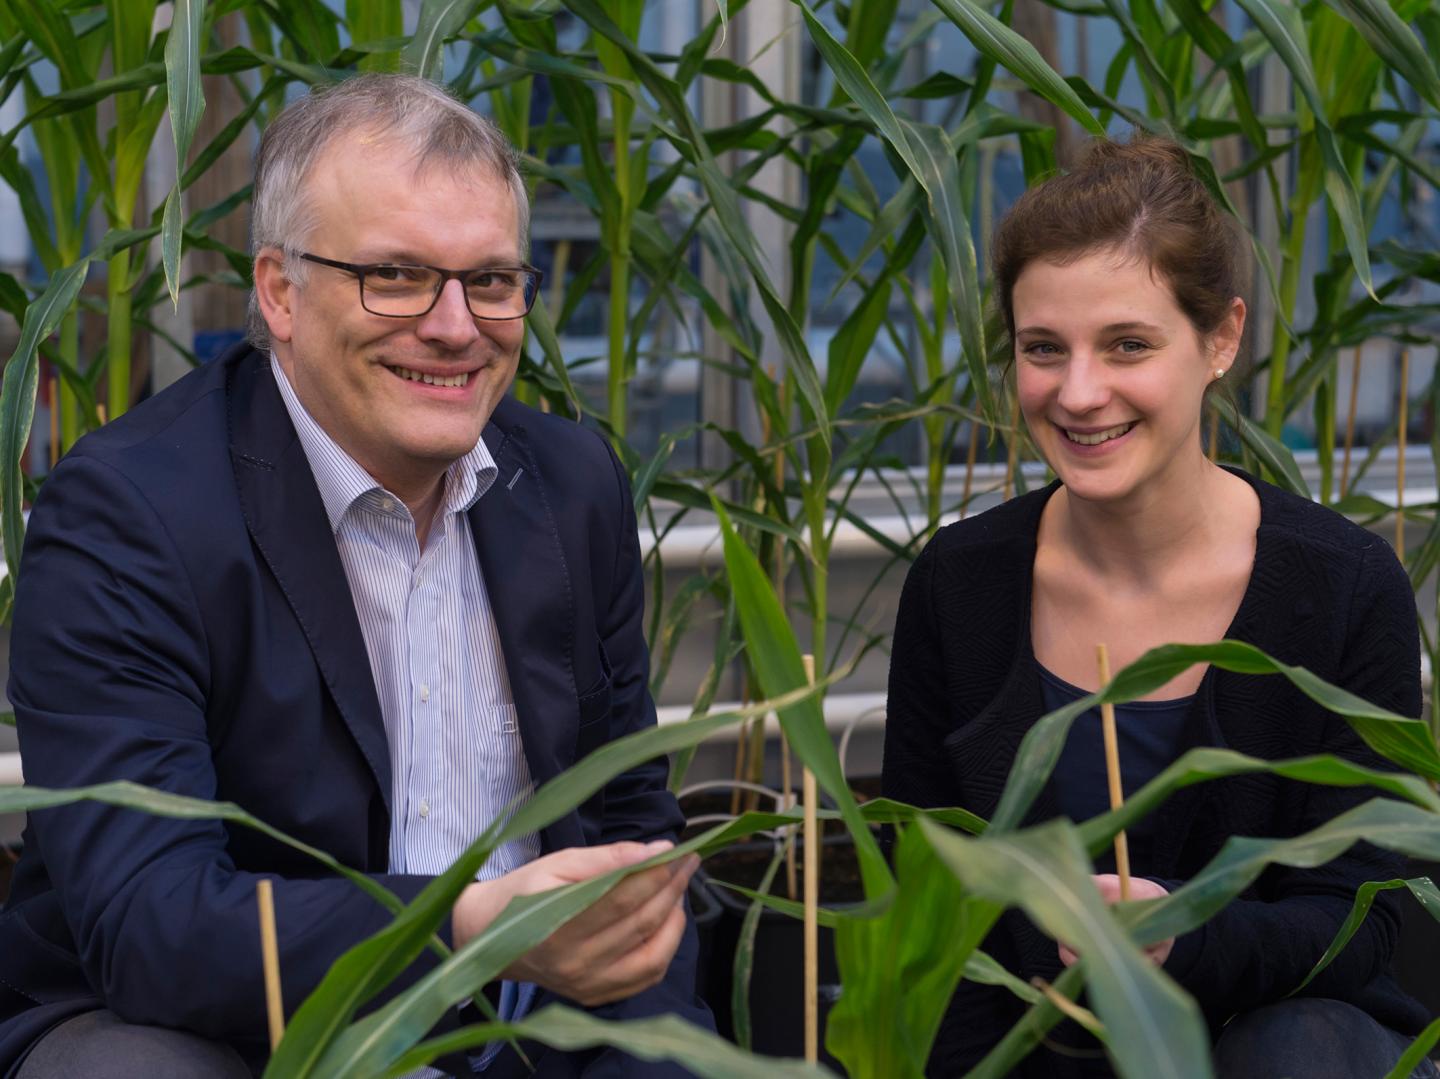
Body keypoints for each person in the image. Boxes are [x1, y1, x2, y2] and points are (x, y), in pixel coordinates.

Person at [0, 74, 710, 1078]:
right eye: (397, 275)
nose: (456, 325)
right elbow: (150, 922)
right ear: (281, 291)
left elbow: (632, 821)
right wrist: (464, 924)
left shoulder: (570, 484)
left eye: (492, 280)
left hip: (531, 1027)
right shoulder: (130, 514)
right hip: (229, 1034)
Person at [883, 137, 1435, 1078]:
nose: (1079, 392)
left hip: (1281, 1048)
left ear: (1220, 338)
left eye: (1128, 344)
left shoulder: (1338, 585)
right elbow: (935, 904)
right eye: (1042, 349)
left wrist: (1184, 936)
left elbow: (1363, 912)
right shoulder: (959, 583)